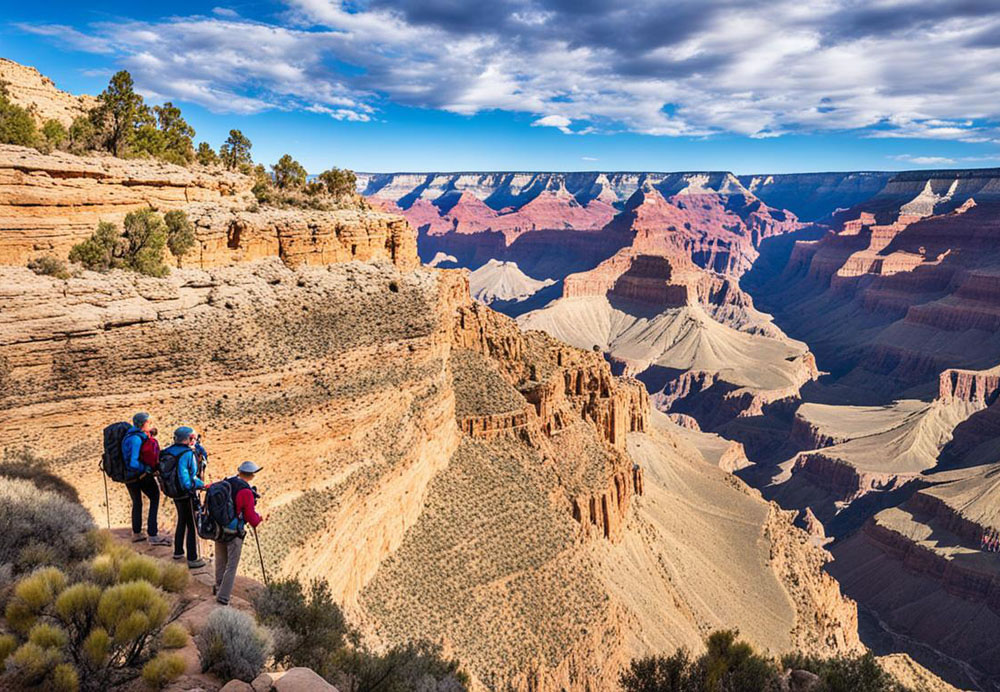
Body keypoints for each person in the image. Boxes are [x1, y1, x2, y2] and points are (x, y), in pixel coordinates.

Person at [214, 461, 264, 606]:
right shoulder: (245, 491)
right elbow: (250, 516)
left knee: (220, 560)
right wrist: (259, 519)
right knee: (232, 565)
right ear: (251, 475)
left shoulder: (226, 482)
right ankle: (223, 597)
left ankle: (218, 588)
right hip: (234, 531)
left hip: (219, 527)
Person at [122, 412, 170, 545]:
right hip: (139, 475)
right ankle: (153, 535)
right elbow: (133, 462)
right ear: (143, 424)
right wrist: (146, 469)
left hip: (128, 477)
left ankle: (136, 533)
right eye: (148, 422)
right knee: (154, 497)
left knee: (137, 502)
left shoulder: (129, 435)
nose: (150, 424)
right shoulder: (136, 439)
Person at [162, 426, 206, 569]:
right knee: (191, 524)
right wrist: (200, 485)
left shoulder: (168, 451)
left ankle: (178, 551)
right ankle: (192, 559)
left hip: (173, 491)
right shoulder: (187, 454)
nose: (194, 440)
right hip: (185, 493)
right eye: (192, 438)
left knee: (182, 519)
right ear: (188, 439)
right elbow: (186, 479)